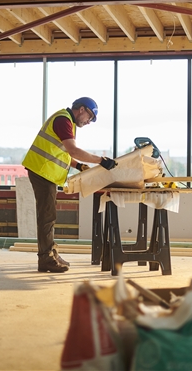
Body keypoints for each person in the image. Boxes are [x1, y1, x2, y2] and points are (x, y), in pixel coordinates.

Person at [22, 97, 118, 273]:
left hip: (45, 172)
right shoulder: (63, 120)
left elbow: (63, 153)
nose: (89, 122)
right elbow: (73, 150)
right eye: (89, 117)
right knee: (47, 216)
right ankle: (46, 259)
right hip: (42, 172)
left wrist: (79, 166)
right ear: (81, 110)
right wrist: (100, 161)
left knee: (48, 216)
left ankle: (51, 253)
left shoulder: (66, 121)